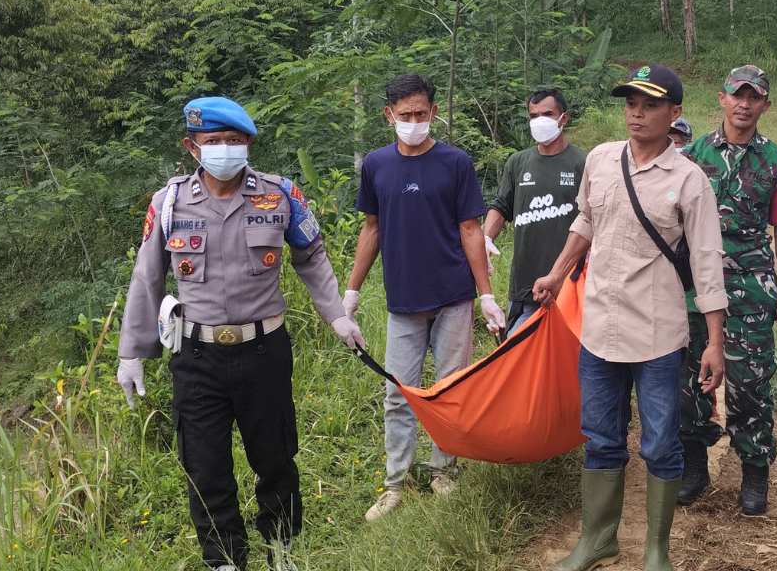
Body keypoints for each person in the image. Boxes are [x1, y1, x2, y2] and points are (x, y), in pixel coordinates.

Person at [116, 97, 363, 571]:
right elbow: (147, 277)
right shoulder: (168, 202)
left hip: (264, 351)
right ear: (193, 148)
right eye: (213, 142)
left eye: (233, 141)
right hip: (197, 355)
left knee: (274, 458)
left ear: (247, 142)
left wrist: (337, 315)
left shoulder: (279, 194)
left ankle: (282, 549)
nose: (224, 150)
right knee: (206, 467)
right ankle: (225, 559)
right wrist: (133, 353)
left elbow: (310, 256)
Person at [532, 64, 728, 571]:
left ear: (675, 113)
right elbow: (586, 221)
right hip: (599, 327)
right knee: (600, 436)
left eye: (651, 105)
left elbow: (706, 262)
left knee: (661, 443)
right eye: (631, 104)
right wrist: (557, 274)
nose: (637, 114)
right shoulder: (600, 160)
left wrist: (714, 341)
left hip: (658, 333)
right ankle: (597, 539)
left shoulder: (689, 180)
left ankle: (656, 550)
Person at [342, 74, 506, 522]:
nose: (414, 122)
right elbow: (371, 228)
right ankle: (395, 483)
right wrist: (352, 291)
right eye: (405, 115)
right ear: (389, 116)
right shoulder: (376, 165)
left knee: (450, 388)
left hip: (453, 295)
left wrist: (486, 296)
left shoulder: (455, 163)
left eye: (421, 114)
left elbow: (470, 230)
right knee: (399, 392)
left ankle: (443, 471)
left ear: (434, 112)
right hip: (403, 300)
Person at [677, 64, 777, 516]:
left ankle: (754, 471)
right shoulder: (690, 156)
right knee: (689, 381)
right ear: (722, 98)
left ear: (765, 104)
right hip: (694, 287)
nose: (744, 104)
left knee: (750, 384)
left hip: (750, 287)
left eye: (754, 97)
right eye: (737, 95)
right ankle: (694, 466)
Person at [483, 87, 587, 337]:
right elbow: (501, 206)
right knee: (519, 357)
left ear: (564, 117)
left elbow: (592, 221)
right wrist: (486, 238)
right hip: (525, 286)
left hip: (570, 285)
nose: (540, 121)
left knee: (568, 363)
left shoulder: (582, 163)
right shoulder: (518, 162)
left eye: (548, 114)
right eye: (533, 115)